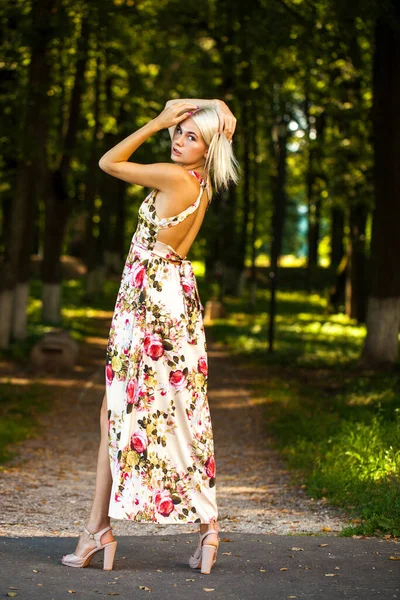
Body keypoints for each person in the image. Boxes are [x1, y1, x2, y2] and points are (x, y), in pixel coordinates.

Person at [62, 98, 239, 575]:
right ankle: (208, 528)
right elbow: (228, 119)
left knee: (116, 413)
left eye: (191, 137)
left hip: (147, 305)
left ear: (208, 148)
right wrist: (213, 107)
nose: (179, 141)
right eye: (178, 134)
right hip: (175, 301)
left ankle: (96, 531)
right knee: (179, 415)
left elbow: (108, 162)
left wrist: (158, 119)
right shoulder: (202, 185)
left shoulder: (173, 176)